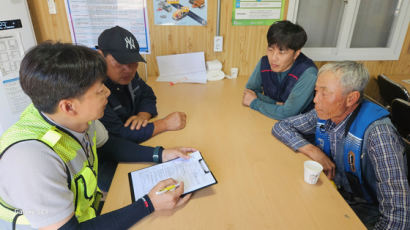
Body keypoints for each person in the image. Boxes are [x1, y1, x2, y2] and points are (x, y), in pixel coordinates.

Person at [0, 42, 192, 230]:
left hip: (82, 214)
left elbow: (109, 145)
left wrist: (160, 154)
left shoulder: (78, 118)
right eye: (100, 90)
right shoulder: (31, 161)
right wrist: (149, 204)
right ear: (69, 106)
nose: (108, 92)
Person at [272, 61, 410, 229]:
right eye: (316, 91)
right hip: (337, 192)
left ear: (351, 98)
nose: (316, 100)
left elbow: (399, 217)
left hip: (368, 209)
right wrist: (313, 151)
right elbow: (282, 126)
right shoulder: (326, 113)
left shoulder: (379, 135)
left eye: (324, 93)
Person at [96, 26, 186, 143]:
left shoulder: (127, 74)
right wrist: (165, 124)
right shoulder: (93, 88)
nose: (128, 69)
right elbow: (118, 135)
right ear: (100, 56)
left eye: (133, 62)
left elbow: (147, 95)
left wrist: (143, 116)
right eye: (120, 61)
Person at [242, 20, 318, 120]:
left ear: (296, 54)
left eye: (281, 52)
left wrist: (254, 102)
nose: (273, 58)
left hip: (300, 125)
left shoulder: (308, 73)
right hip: (269, 118)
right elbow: (249, 93)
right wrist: (275, 104)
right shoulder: (264, 62)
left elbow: (288, 114)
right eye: (270, 49)